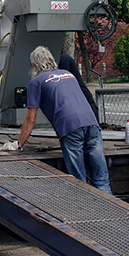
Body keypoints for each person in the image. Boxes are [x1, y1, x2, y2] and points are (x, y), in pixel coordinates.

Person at [14, 46, 112, 194]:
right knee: (101, 178)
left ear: (34, 65)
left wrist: (19, 144)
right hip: (92, 123)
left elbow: (31, 119)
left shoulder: (36, 81)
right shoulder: (68, 74)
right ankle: (110, 205)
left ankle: (84, 205)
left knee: (78, 181)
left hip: (70, 127)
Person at [58, 53, 99, 124]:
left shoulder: (64, 59)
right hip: (82, 101)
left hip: (83, 102)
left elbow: (62, 80)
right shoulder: (64, 59)